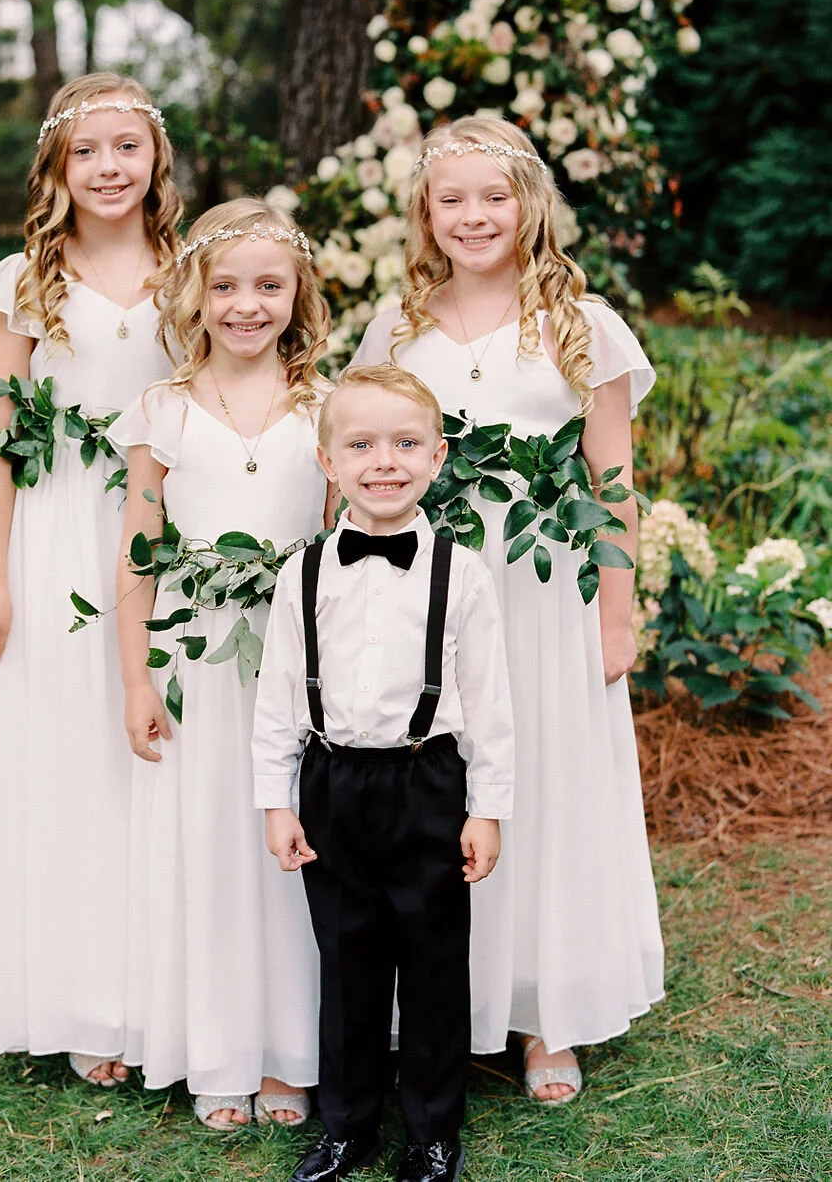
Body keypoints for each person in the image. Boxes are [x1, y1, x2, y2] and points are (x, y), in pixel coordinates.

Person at [352, 116, 664, 1103]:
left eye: (493, 195)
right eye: (453, 199)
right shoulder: (394, 327)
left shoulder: (584, 320)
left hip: (542, 593)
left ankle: (542, 1014)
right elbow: (356, 465)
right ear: (425, 213)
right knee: (435, 789)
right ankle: (434, 1001)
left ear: (529, 203)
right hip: (425, 595)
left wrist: (615, 612)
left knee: (543, 782)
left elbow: (611, 476)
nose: (474, 215)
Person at [0, 72, 182, 1087]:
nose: (107, 167)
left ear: (155, 159)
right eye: (86, 150)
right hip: (57, 537)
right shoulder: (25, 283)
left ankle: (165, 986)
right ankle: (83, 998)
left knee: (161, 751)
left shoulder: (193, 268)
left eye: (125, 147)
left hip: (167, 536)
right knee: (70, 752)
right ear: (58, 164)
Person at [253, 364, 515, 1182]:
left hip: (427, 781)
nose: (384, 462)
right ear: (328, 462)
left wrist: (487, 807)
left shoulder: (461, 573)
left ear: (438, 457)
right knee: (347, 961)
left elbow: (491, 704)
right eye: (360, 444)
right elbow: (278, 699)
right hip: (333, 786)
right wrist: (276, 801)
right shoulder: (301, 575)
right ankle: (348, 1126)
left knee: (437, 963)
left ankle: (434, 1132)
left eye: (405, 444)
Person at [110, 197, 332, 1130]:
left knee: (295, 845)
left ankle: (291, 1051)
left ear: (299, 295)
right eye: (227, 285)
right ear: (195, 293)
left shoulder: (327, 404)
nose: (247, 305)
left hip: (298, 657)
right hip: (197, 661)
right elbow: (136, 550)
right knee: (210, 846)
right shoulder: (161, 411)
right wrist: (135, 677)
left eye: (269, 286)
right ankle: (218, 1051)